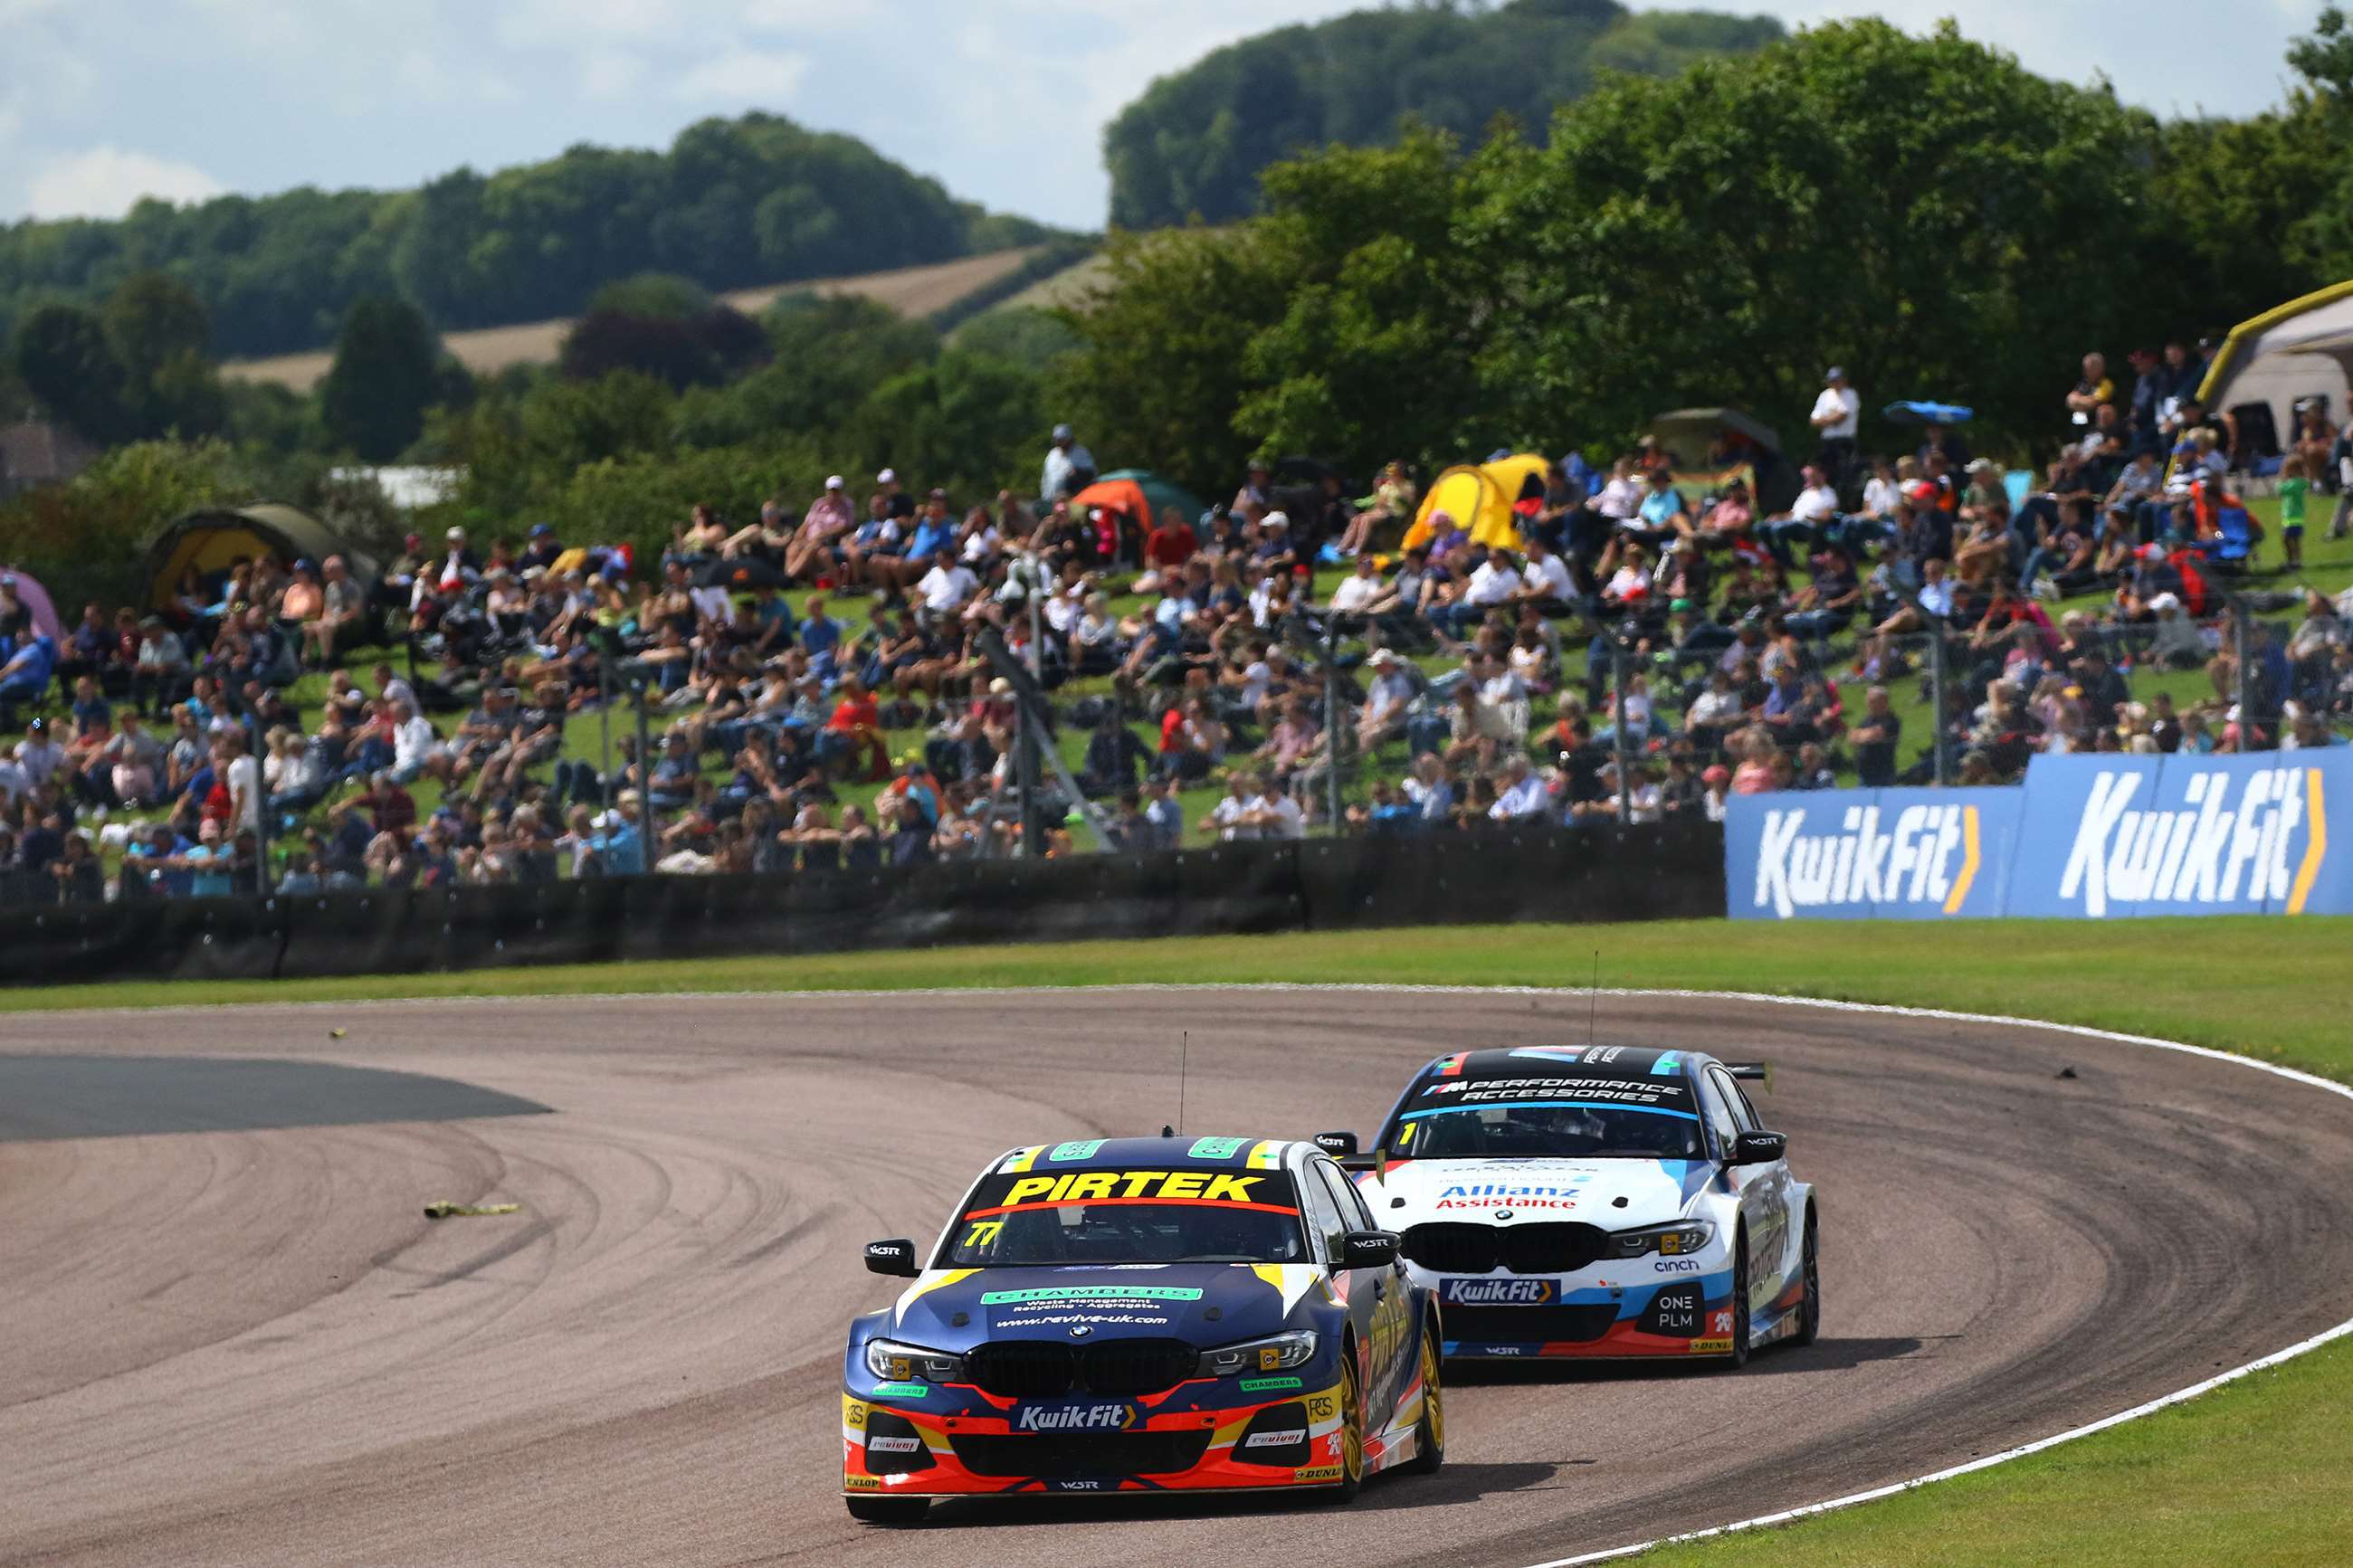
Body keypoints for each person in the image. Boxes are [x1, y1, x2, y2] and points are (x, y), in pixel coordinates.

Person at [1811, 366, 1860, 477]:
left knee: (1845, 476)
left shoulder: (1850, 394)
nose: (1835, 382)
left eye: (1837, 379)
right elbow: (1813, 420)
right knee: (1826, 474)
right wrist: (1831, 418)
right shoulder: (1824, 395)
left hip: (1845, 443)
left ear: (1844, 380)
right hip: (1827, 442)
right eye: (1832, 380)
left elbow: (1841, 417)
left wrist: (1824, 419)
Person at [1041, 423, 1096, 502]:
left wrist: (1076, 473)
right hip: (1053, 500)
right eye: (1057, 439)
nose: (1059, 442)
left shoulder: (1081, 453)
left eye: (1062, 439)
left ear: (1069, 439)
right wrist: (1045, 497)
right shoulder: (1052, 455)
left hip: (1076, 500)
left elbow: (1090, 474)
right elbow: (1045, 478)